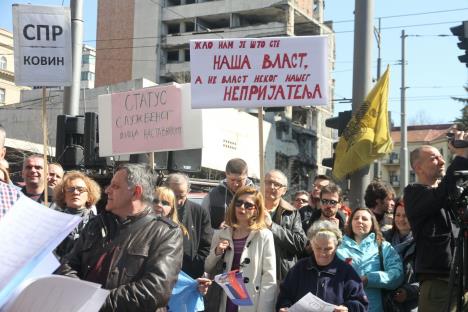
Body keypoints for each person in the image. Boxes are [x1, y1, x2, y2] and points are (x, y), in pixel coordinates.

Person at [58, 164, 183, 311]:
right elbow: (67, 265)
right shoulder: (96, 224)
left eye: (115, 186)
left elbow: (155, 290)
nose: (107, 190)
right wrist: (80, 295)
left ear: (136, 192)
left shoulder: (166, 232)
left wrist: (96, 302)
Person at [404, 138, 468, 312]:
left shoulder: (450, 192)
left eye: (442, 156)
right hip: (438, 283)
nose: (442, 161)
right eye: (434, 158)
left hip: (462, 280)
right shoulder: (413, 193)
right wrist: (461, 155)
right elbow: (441, 193)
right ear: (418, 167)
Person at [204, 186, 277, 312]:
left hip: (250, 301)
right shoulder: (221, 234)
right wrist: (217, 252)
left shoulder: (264, 235)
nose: (242, 207)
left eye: (248, 205)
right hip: (225, 298)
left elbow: (269, 278)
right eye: (239, 203)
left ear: (256, 210)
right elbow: (207, 267)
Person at [276, 220, 368, 312]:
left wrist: (347, 309)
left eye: (328, 249)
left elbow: (361, 304)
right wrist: (285, 307)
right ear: (311, 245)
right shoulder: (299, 268)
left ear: (336, 246)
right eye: (318, 248)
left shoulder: (346, 272)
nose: (322, 253)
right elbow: (284, 296)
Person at [336, 207, 403, 312]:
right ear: (350, 222)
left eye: (364, 219)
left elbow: (397, 275)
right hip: (344, 307)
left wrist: (370, 279)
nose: (360, 221)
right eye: (356, 218)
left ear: (372, 223)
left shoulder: (383, 247)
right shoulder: (338, 247)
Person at [166, 173, 213, 279]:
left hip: (189, 275)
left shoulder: (199, 212)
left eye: (181, 196)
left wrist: (196, 266)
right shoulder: (157, 210)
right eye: (174, 196)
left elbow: (206, 245)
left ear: (188, 192)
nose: (177, 201)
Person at [263, 169, 307, 281]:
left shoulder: (292, 212)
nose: (271, 187)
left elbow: (300, 243)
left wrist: (272, 226)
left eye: (277, 184)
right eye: (268, 182)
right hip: (255, 269)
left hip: (281, 273)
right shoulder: (251, 207)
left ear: (284, 190)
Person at [53, 171, 101, 259]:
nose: (75, 192)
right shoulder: (53, 222)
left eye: (81, 189)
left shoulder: (99, 223)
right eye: (70, 189)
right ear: (63, 196)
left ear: (89, 196)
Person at [382, 198, 418, 312]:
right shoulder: (383, 238)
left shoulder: (422, 243)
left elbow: (427, 279)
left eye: (406, 215)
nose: (401, 219)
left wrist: (408, 292)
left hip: (410, 305)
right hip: (384, 303)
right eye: (397, 215)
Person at [202, 158, 253, 229]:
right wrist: (218, 232)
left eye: (239, 180)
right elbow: (203, 227)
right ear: (226, 174)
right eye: (232, 180)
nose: (236, 184)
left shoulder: (255, 195)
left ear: (247, 176)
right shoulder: (212, 196)